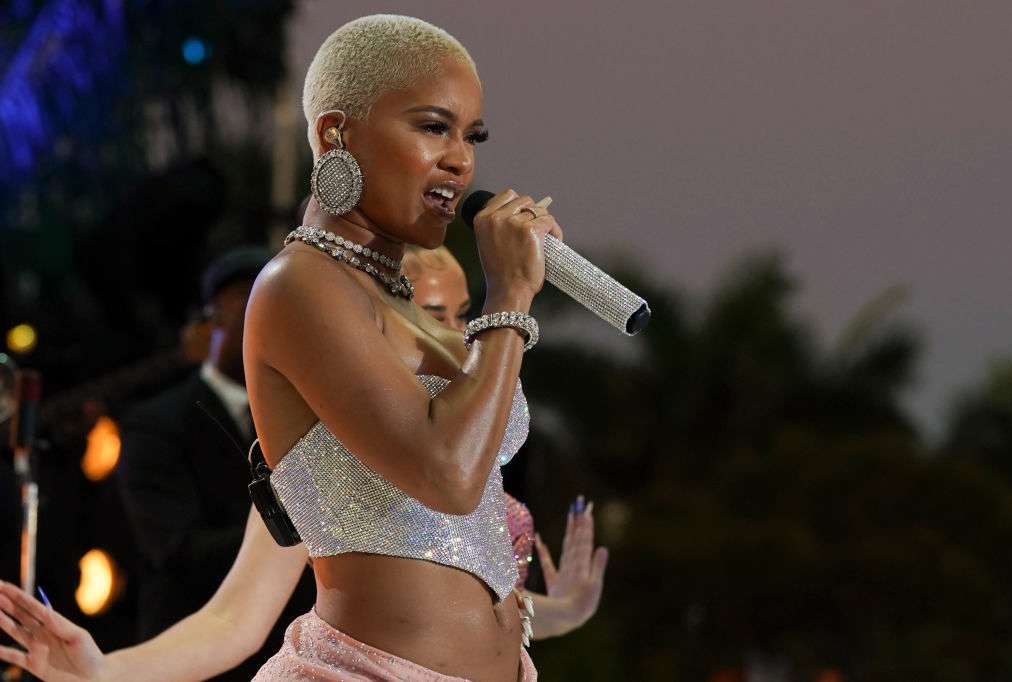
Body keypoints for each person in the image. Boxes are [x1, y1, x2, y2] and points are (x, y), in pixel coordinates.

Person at [1, 14, 584, 680]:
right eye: (433, 127)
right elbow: (447, 474)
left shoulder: (403, 310)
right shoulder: (298, 288)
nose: (461, 159)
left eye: (472, 136)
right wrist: (509, 298)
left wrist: (555, 611)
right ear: (336, 133)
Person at [0, 244, 608, 681]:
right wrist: (104, 671)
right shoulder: (325, 450)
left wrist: (565, 611)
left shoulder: (472, 436)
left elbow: (473, 610)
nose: (455, 336)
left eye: (462, 312)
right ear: (372, 324)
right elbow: (235, 619)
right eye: (430, 313)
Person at [115, 246, 316, 679]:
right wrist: (306, 529)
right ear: (214, 318)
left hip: (297, 651)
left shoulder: (314, 418)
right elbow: (175, 549)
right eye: (251, 303)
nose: (272, 322)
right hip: (192, 653)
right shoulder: (155, 424)